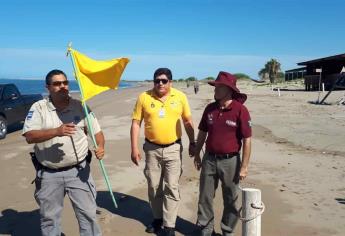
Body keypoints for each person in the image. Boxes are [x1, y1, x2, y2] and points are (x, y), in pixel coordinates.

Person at [22, 69, 105, 236]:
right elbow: (29, 136)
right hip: (49, 174)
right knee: (49, 218)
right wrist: (56, 131)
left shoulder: (81, 106)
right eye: (57, 84)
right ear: (48, 87)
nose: (62, 86)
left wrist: (101, 146)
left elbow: (97, 133)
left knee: (88, 215)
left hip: (79, 171)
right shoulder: (39, 108)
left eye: (65, 83)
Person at [130, 68, 195, 236]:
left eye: (164, 80)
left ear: (170, 82)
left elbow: (187, 121)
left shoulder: (180, 96)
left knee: (172, 187)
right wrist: (134, 148)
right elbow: (136, 123)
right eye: (157, 80)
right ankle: (158, 218)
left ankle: (169, 225)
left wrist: (193, 142)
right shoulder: (144, 97)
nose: (160, 83)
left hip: (174, 148)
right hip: (151, 149)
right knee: (154, 186)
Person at [193, 71, 252, 236]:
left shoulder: (241, 110)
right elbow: (202, 133)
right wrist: (197, 154)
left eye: (218, 86)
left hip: (231, 161)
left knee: (231, 198)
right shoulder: (210, 109)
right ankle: (206, 229)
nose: (215, 89)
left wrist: (244, 167)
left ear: (228, 89)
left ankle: (227, 231)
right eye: (215, 86)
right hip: (209, 159)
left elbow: (247, 139)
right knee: (205, 196)